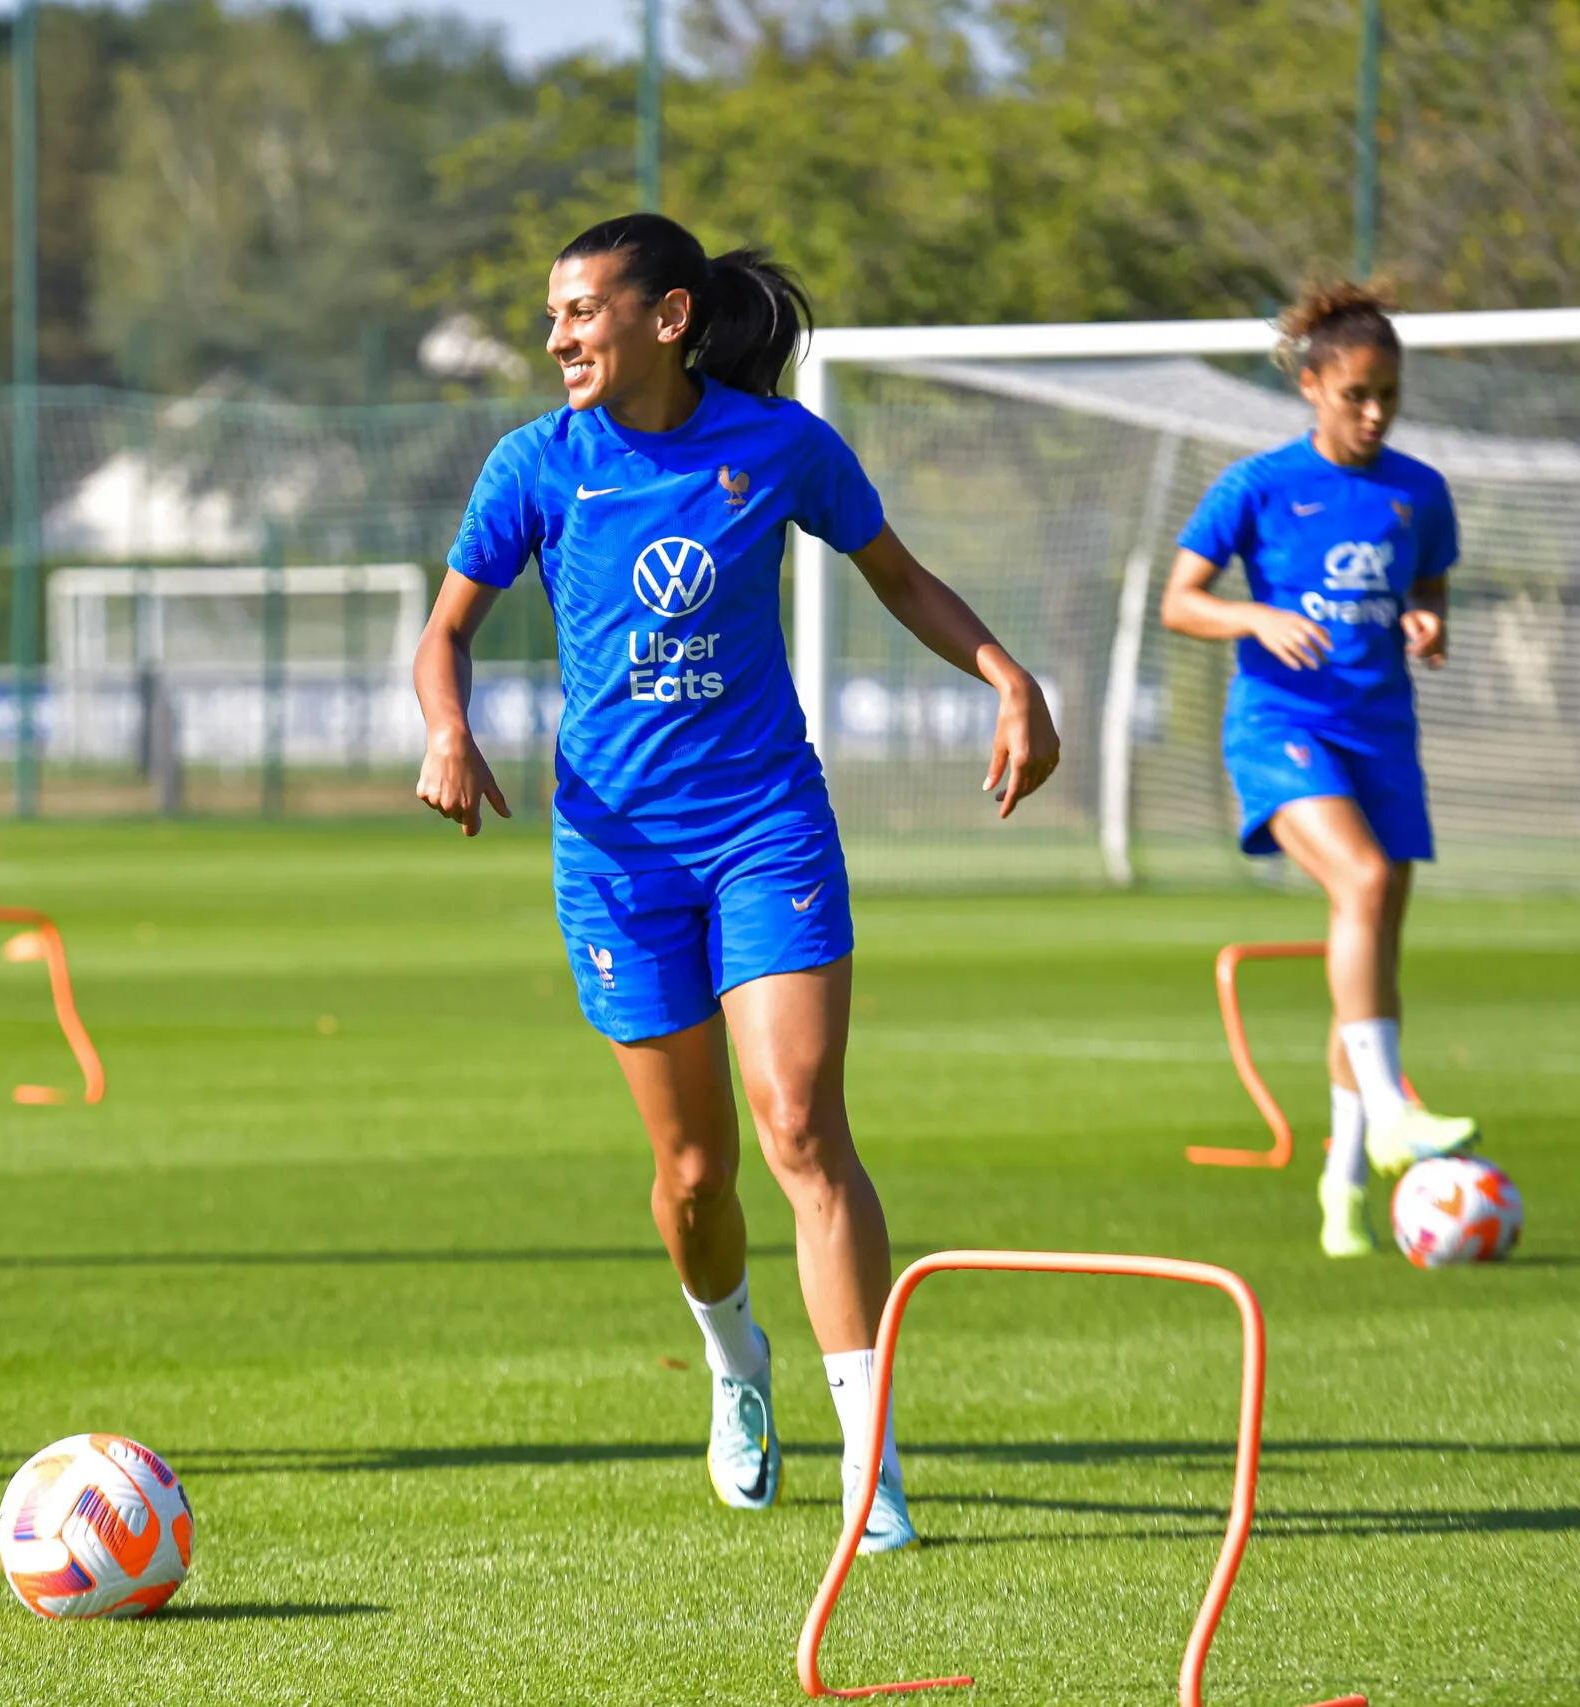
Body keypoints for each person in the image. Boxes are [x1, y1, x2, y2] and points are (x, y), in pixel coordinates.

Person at [415, 214, 1059, 1553]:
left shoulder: (781, 447)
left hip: (767, 824)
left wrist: (1005, 672)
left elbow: (898, 574)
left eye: (581, 311)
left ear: (668, 316)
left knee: (801, 1125)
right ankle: (732, 1359)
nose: (556, 338)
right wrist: (447, 726)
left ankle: (869, 1455)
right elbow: (447, 628)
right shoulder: (536, 463)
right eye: (551, 314)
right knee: (698, 1171)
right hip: (617, 853)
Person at [1161, 279, 1479, 1258]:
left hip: (1382, 735)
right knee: (1363, 880)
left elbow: (1423, 587)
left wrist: (1428, 621)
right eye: (1355, 394)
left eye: (1388, 393)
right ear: (1310, 385)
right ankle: (1390, 1108)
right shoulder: (1255, 486)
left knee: (1369, 956)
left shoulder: (1417, 491)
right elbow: (1181, 601)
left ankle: (1342, 1188)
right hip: (1280, 726)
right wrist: (1253, 615)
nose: (1374, 411)